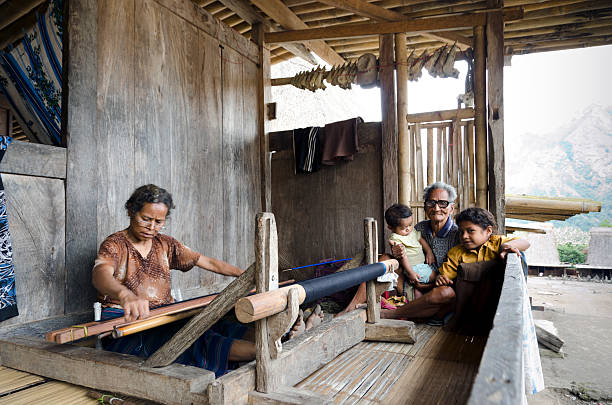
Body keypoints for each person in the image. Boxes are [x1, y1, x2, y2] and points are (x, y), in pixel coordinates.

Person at [92, 184, 321, 377]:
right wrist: (124, 295)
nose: (152, 227)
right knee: (194, 339)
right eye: (146, 219)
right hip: (125, 325)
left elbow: (207, 262)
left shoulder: (165, 244)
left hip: (163, 315)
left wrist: (248, 277)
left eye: (159, 222)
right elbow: (100, 273)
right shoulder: (115, 244)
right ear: (131, 211)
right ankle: (274, 350)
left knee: (220, 324)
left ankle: (279, 341)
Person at [341, 182, 461, 319]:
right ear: (425, 207)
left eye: (443, 203)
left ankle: (389, 314)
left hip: (434, 289)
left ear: (451, 208)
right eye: (431, 203)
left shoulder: (457, 235)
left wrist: (428, 284)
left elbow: (455, 276)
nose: (436, 207)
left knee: (447, 294)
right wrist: (399, 255)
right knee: (386, 259)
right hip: (410, 282)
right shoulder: (418, 228)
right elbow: (406, 256)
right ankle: (349, 310)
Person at [435, 207, 530, 287]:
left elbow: (525, 243)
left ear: (488, 231)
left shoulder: (496, 243)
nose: (464, 236)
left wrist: (507, 246)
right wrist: (441, 279)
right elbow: (445, 275)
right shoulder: (456, 253)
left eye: (470, 231)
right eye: (461, 232)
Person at [384, 204, 436, 299]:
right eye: (403, 228)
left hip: (421, 265)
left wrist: (429, 252)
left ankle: (418, 293)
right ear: (390, 227)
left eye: (410, 225)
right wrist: (410, 272)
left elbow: (421, 240)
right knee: (434, 276)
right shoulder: (395, 238)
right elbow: (402, 257)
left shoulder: (413, 232)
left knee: (418, 288)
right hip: (412, 267)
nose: (408, 229)